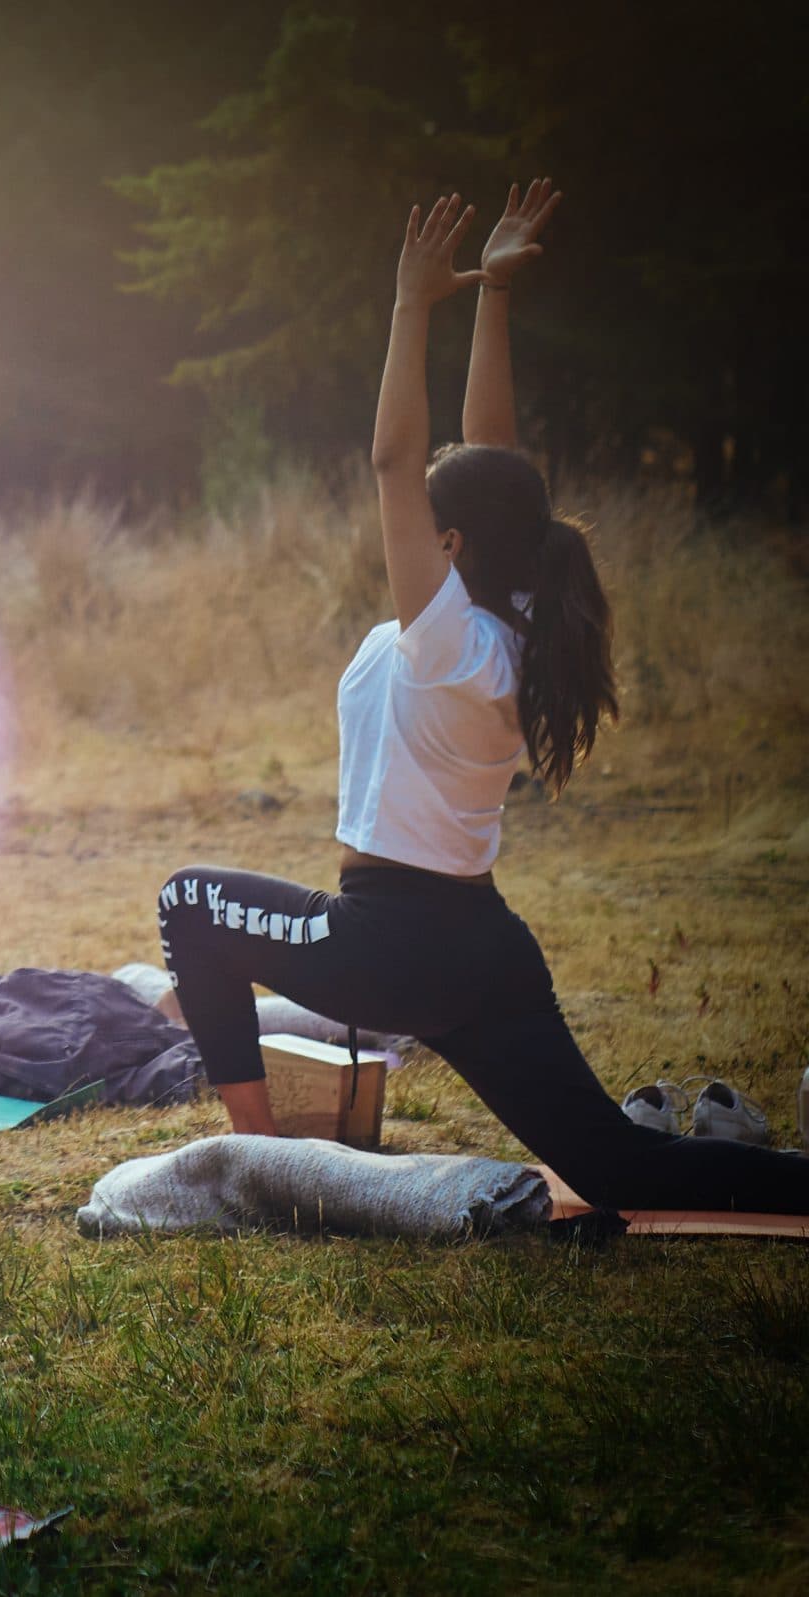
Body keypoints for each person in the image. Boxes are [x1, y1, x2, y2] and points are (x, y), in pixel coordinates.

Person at [156, 182, 809, 1214]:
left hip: (389, 944)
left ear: (447, 543)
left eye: (427, 517)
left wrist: (411, 304)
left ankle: (268, 1164)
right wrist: (493, 296)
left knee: (185, 903)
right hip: (478, 948)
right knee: (618, 1167)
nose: (409, 518)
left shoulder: (450, 638)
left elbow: (390, 457)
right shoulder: (506, 615)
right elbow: (489, 453)